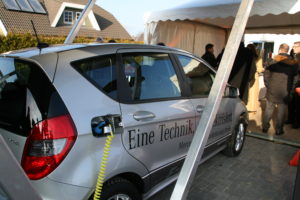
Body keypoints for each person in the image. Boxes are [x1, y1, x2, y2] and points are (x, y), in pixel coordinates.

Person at [262, 43, 298, 135]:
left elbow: (266, 74)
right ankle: (279, 130)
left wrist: (268, 85)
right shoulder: (293, 63)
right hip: (285, 90)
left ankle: (265, 128)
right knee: (282, 111)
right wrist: (292, 89)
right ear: (287, 50)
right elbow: (296, 78)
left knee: (268, 109)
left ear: (280, 50)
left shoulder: (272, 60)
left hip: (272, 89)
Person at [291, 41, 300, 128]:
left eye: (295, 46)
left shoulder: (298, 57)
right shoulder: (294, 56)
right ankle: (292, 120)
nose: (293, 48)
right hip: (295, 83)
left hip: (297, 84)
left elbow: (297, 71)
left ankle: (296, 122)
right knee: (293, 103)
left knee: (297, 104)